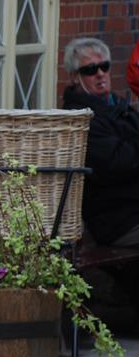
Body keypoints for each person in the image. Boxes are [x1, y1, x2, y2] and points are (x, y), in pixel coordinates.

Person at [62, 37, 139, 247]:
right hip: (117, 221)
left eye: (104, 66)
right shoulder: (78, 119)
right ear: (75, 77)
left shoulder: (118, 106)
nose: (100, 74)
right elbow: (117, 163)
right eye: (90, 69)